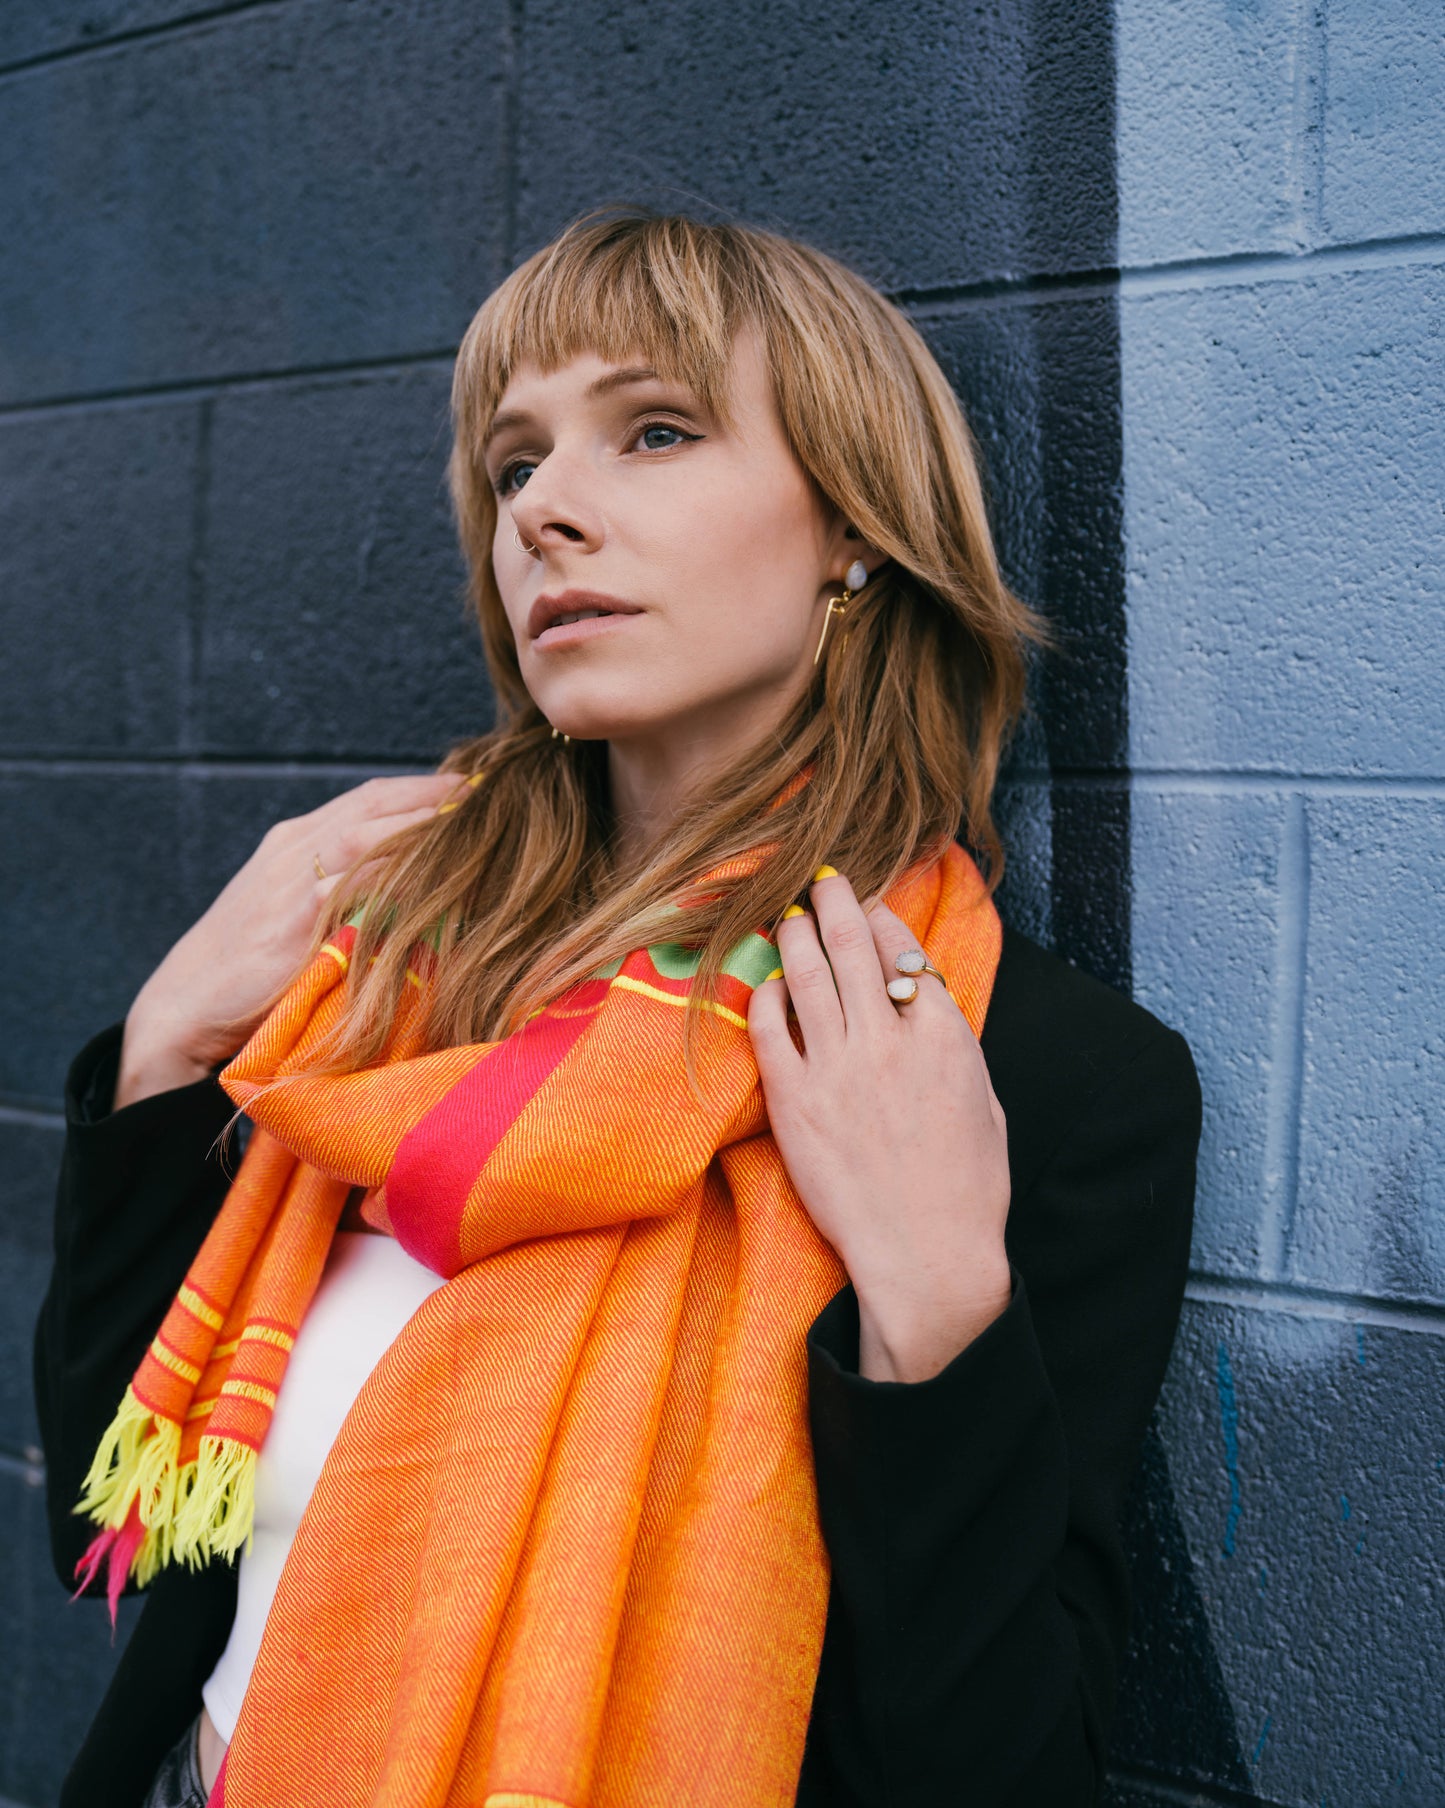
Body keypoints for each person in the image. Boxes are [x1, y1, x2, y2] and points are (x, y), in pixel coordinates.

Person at [34, 210, 1200, 1808]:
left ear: (853, 527)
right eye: (513, 467)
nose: (548, 516)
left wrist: (933, 1316)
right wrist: (169, 1051)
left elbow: (995, 1771)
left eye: (653, 432)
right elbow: (119, 1536)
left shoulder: (1013, 1068)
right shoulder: (388, 980)